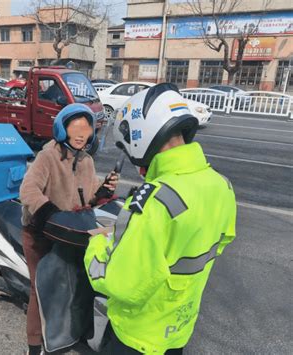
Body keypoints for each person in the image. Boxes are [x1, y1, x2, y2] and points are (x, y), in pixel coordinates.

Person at [84, 83, 237, 354]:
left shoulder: (154, 200)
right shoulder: (221, 185)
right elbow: (216, 243)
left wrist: (96, 247)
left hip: (137, 334)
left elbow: (122, 284)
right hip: (179, 329)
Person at [19, 103, 119, 355]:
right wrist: (49, 213)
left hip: (72, 234)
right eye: (75, 127)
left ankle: (71, 333)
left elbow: (89, 196)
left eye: (86, 129)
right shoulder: (47, 157)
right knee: (39, 289)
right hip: (41, 234)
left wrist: (104, 190)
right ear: (62, 129)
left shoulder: (86, 160)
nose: (80, 133)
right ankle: (33, 346)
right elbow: (28, 190)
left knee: (76, 282)